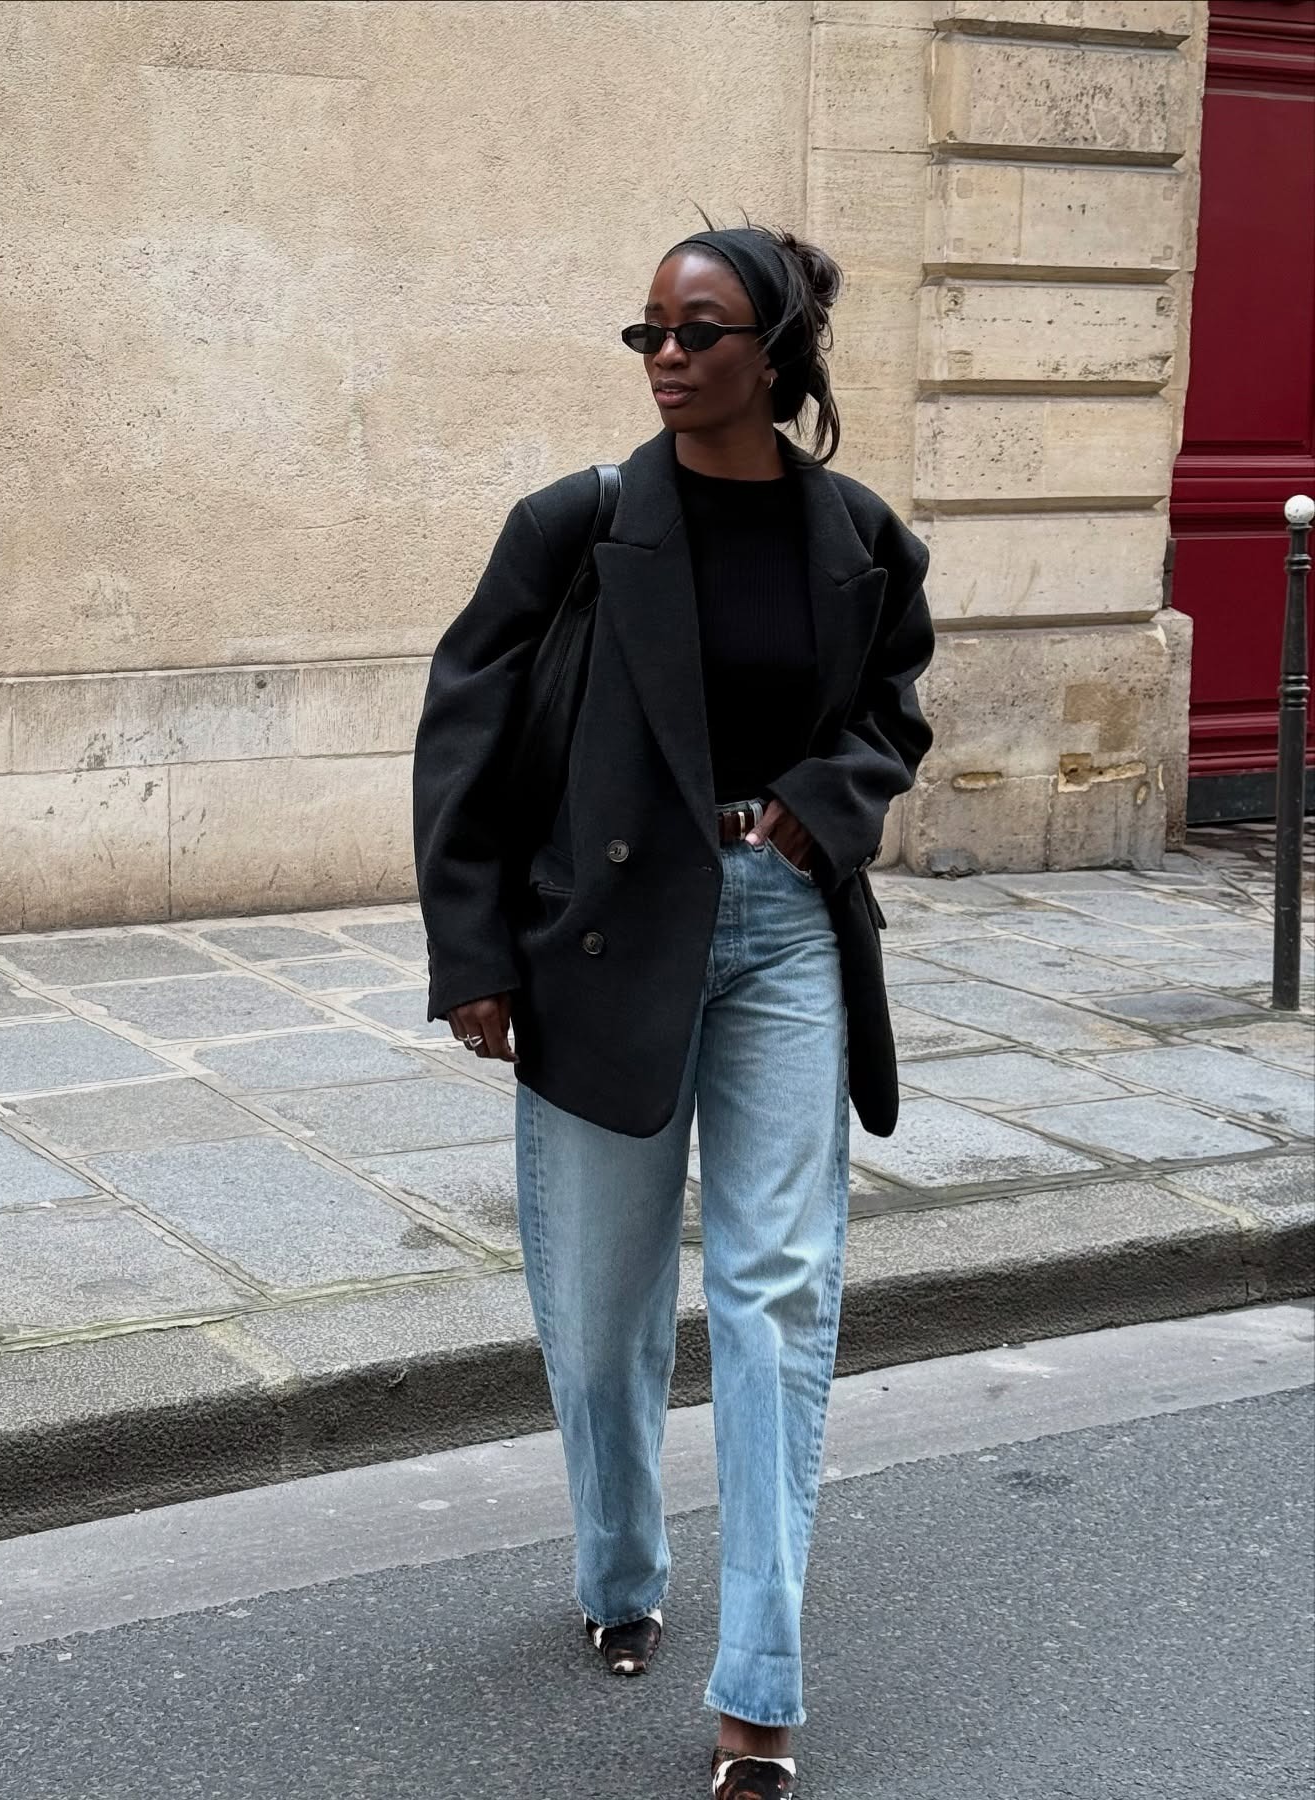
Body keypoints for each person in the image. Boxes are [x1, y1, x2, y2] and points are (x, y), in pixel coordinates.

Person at [412, 217, 935, 1800]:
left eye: (696, 333)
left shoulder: (855, 535)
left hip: (781, 932)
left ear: (770, 352)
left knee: (780, 1295)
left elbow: (889, 710)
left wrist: (815, 808)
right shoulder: (573, 525)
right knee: (598, 1306)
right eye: (646, 333)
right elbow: (465, 727)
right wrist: (478, 953)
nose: (664, 359)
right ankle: (622, 1569)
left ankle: (760, 1693)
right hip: (599, 940)